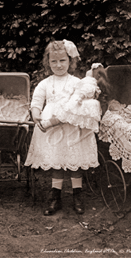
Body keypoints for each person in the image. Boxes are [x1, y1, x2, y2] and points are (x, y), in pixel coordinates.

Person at [25, 40, 100, 216]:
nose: (58, 65)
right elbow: (36, 101)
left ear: (70, 61)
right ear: (48, 62)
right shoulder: (45, 83)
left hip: (72, 126)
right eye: (54, 61)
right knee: (57, 161)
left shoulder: (76, 82)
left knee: (74, 163)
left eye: (62, 61)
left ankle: (77, 196)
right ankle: (55, 197)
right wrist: (36, 113)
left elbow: (81, 101)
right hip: (51, 127)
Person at [37, 63, 105, 133]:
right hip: (78, 100)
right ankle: (45, 124)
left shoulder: (86, 81)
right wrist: (81, 98)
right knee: (64, 115)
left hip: (76, 98)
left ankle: (46, 124)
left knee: (65, 116)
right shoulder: (90, 82)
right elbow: (86, 91)